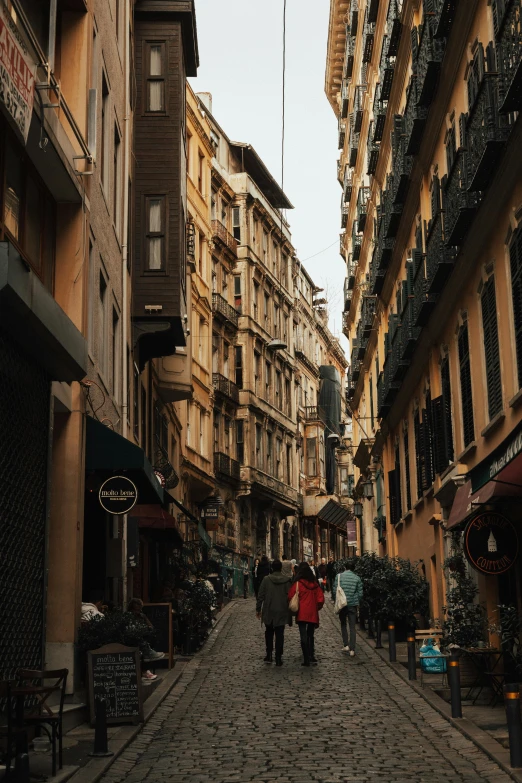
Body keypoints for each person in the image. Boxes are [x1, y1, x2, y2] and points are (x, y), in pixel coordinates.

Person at [288, 562, 324, 666]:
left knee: (303, 636)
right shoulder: (315, 584)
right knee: (310, 635)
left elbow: (290, 596)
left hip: (302, 613)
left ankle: (306, 658)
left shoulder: (298, 583)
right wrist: (316, 607)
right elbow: (320, 599)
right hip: (312, 613)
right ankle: (311, 655)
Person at [256, 559, 291, 666]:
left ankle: (269, 654)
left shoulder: (266, 579)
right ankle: (278, 657)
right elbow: (290, 596)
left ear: (272, 568)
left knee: (269, 632)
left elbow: (260, 595)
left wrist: (258, 609)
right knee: (280, 634)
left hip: (269, 610)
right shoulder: (286, 580)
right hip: (281, 610)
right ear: (280, 568)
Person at [128, 598, 165, 682]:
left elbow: (150, 626)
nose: (138, 612)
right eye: (136, 610)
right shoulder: (128, 616)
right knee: (141, 644)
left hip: (143, 637)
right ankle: (145, 669)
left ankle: (146, 668)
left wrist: (147, 628)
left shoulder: (142, 616)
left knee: (150, 641)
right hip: (132, 639)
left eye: (139, 609)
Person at [333, 563, 363, 656]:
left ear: (345, 568)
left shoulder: (339, 577)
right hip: (352, 604)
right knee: (352, 627)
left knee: (343, 624)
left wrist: (337, 600)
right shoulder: (357, 578)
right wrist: (355, 599)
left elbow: (334, 590)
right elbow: (360, 593)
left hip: (342, 604)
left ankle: (346, 644)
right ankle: (352, 649)